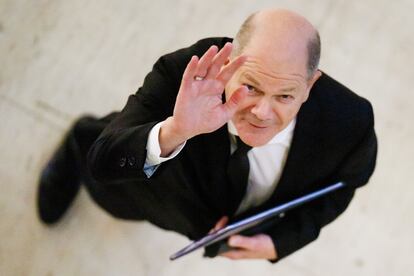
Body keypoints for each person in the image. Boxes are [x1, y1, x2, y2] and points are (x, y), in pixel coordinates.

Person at [37, 9, 377, 262]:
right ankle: (77, 139)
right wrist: (176, 130)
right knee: (111, 196)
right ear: (229, 59)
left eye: (285, 96)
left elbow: (344, 185)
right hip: (153, 190)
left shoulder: (351, 122)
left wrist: (282, 240)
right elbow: (104, 161)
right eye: (250, 87)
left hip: (207, 219)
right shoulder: (183, 73)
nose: (261, 112)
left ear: (310, 86)